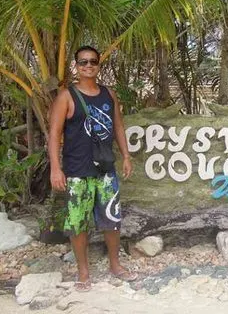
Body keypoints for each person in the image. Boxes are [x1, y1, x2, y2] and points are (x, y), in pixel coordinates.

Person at [48, 45, 136, 291]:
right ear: (76, 66)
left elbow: (118, 126)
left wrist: (127, 156)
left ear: (99, 65)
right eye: (83, 62)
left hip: (106, 169)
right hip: (77, 171)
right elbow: (54, 135)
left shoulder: (108, 94)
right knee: (77, 223)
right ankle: (83, 271)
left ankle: (115, 265)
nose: (88, 66)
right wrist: (56, 169)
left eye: (93, 62)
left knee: (112, 219)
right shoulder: (66, 96)